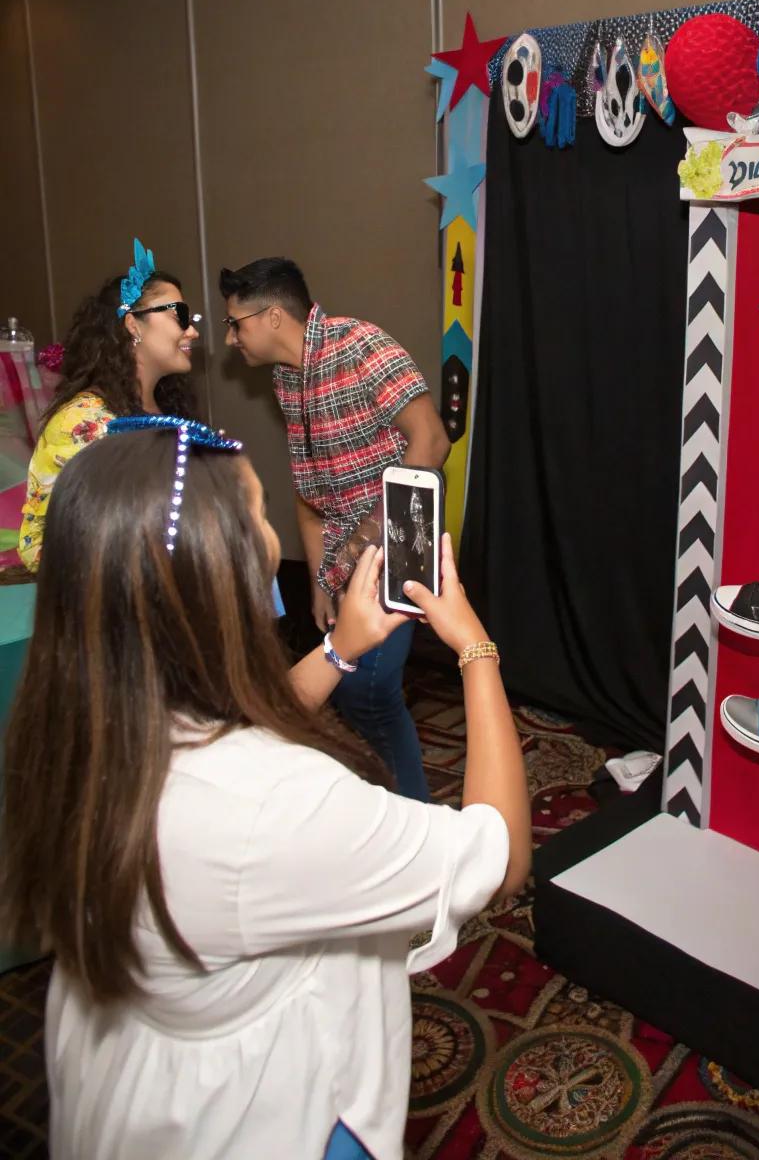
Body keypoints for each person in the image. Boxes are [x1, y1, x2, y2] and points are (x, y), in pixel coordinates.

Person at [1, 416, 531, 1160]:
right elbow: (500, 856)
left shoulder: (79, 731)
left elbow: (226, 738)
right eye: (257, 513)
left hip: (129, 1088)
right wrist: (475, 647)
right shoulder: (281, 806)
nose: (272, 531)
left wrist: (340, 648)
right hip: (265, 1114)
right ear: (222, 570)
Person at [220, 257, 449, 801]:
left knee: (367, 689)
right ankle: (383, 805)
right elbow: (310, 490)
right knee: (352, 687)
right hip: (347, 561)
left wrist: (379, 532)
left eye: (237, 323)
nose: (231, 339)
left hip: (400, 541)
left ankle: (413, 814)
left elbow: (432, 441)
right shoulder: (285, 378)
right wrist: (323, 580)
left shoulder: (361, 345)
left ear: (273, 317)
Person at [17, 238, 198, 571]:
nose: (192, 331)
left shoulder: (167, 413)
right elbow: (39, 544)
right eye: (181, 316)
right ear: (132, 324)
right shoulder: (82, 423)